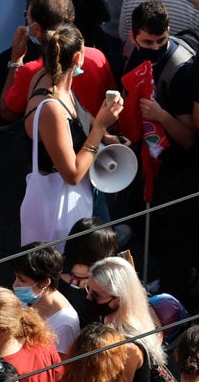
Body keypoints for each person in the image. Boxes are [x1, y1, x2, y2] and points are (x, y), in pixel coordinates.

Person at [20, 25, 123, 247]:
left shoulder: (54, 82)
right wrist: (99, 128)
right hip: (63, 207)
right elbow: (72, 174)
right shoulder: (51, 109)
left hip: (85, 192)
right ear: (78, 58)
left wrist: (106, 136)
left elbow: (79, 114)